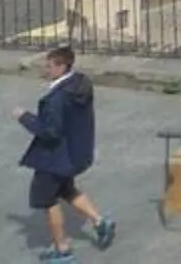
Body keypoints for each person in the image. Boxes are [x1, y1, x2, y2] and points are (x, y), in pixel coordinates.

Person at [15, 44, 114, 260]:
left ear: (62, 66)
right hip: (74, 153)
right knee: (66, 190)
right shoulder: (81, 84)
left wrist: (25, 117)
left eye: (49, 66)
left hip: (54, 159)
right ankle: (100, 221)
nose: (45, 70)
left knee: (49, 200)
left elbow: (49, 132)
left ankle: (62, 250)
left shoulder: (56, 99)